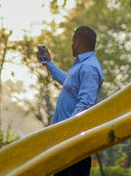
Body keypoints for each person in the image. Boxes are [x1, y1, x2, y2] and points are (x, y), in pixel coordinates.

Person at [37, 26, 104, 176]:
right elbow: (67, 81)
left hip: (74, 140)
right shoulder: (81, 65)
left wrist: (68, 129)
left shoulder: (89, 68)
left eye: (72, 41)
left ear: (77, 42)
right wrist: (48, 63)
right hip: (65, 138)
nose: (71, 45)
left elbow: (86, 104)